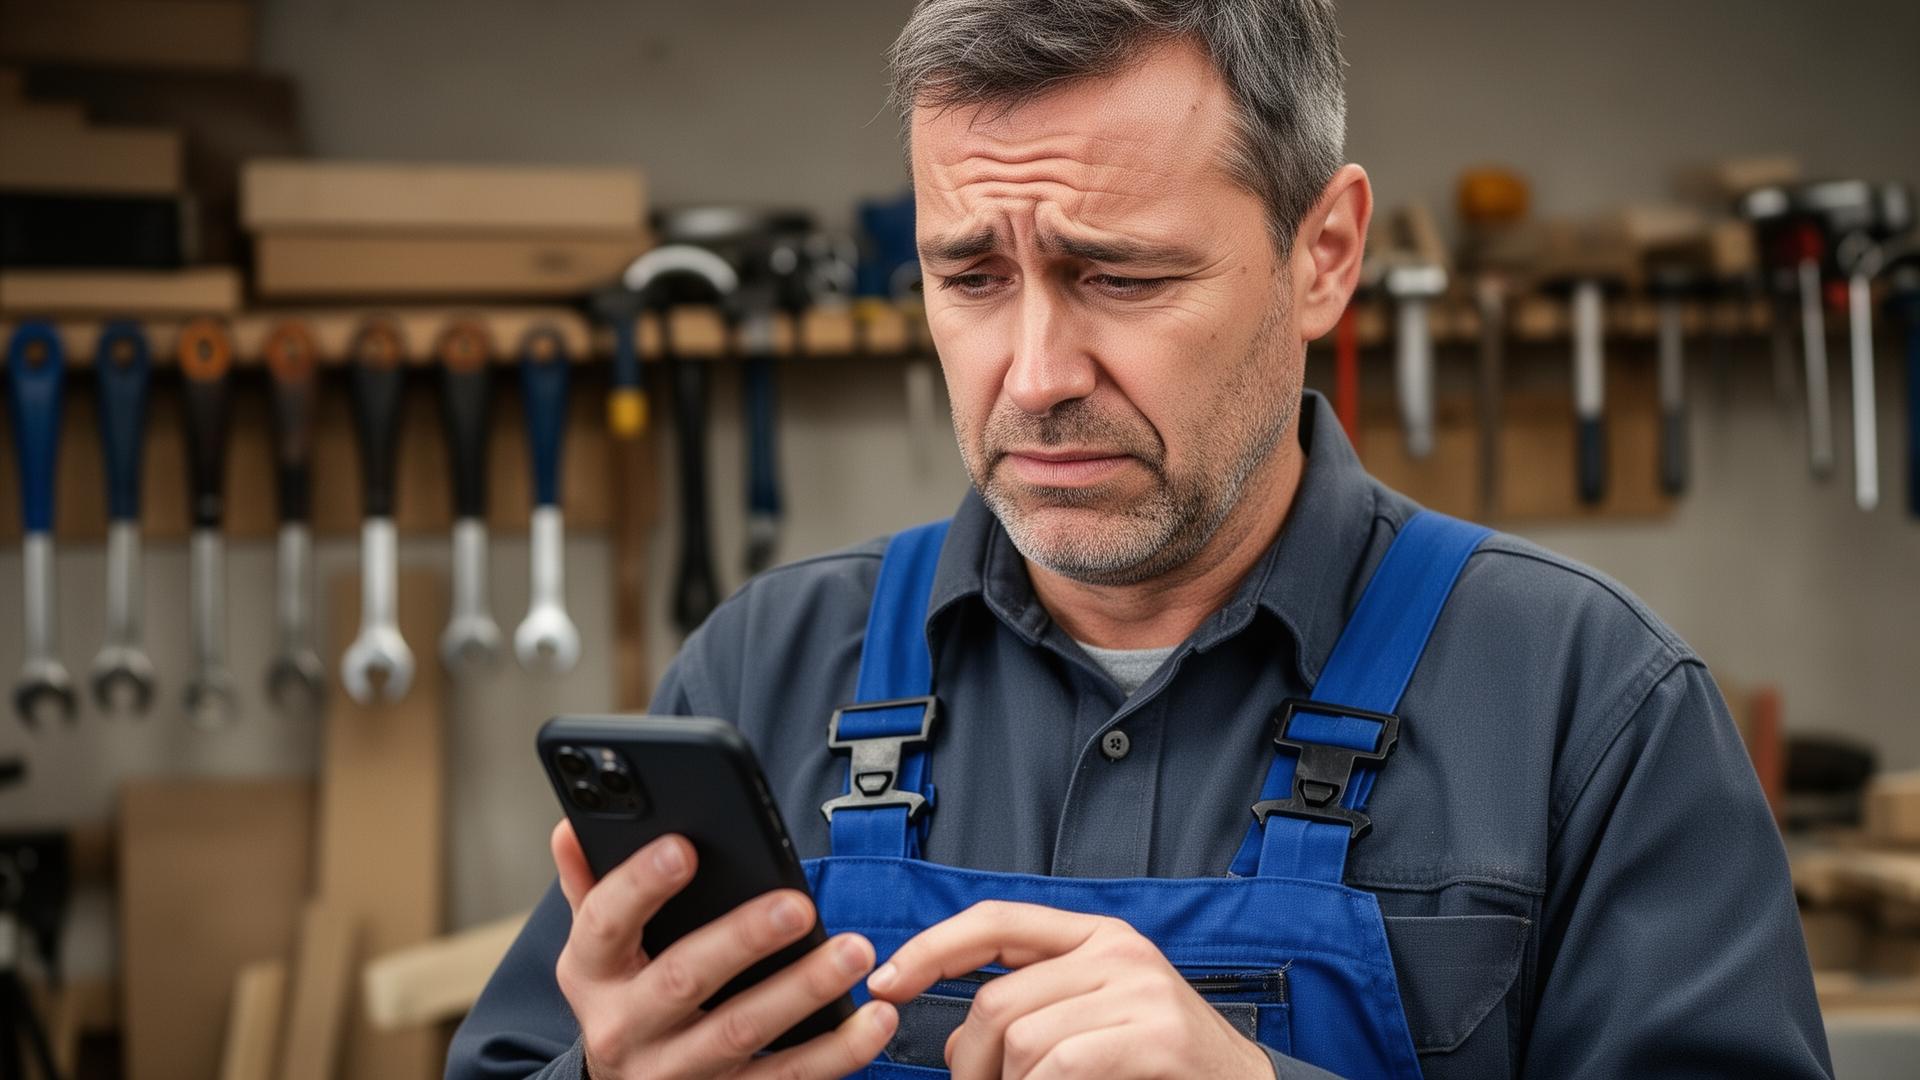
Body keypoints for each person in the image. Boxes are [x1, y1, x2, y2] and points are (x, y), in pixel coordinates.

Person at [448, 2, 1832, 1077]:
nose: (1037, 370)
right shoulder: (766, 673)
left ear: (1324, 256)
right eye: (971, 275)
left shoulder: (1590, 709)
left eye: (1121, 274)